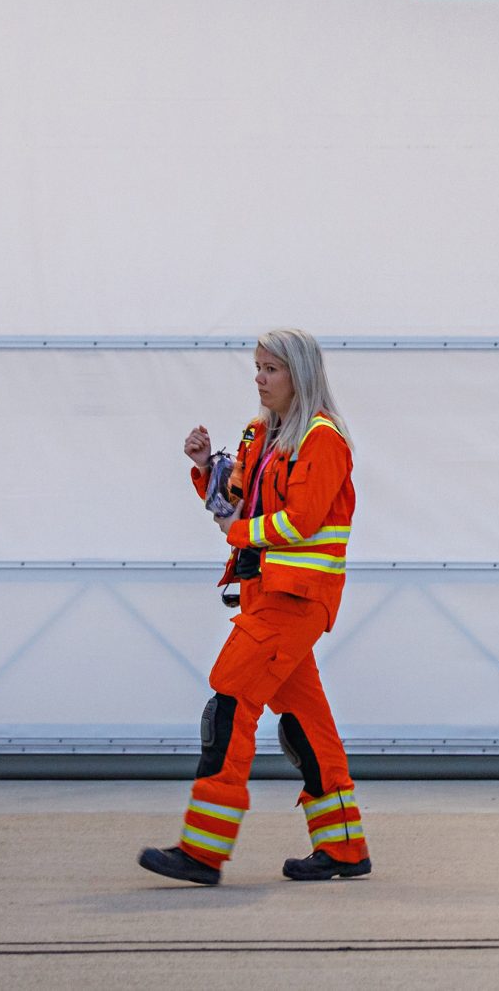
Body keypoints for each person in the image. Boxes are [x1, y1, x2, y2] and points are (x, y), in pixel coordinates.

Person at [138, 327, 371, 886]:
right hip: (266, 595)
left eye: (271, 369)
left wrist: (238, 533)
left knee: (229, 705)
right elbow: (234, 501)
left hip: (295, 601)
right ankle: (344, 848)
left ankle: (202, 850)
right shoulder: (258, 433)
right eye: (257, 368)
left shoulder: (323, 440)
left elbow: (299, 522)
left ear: (300, 374)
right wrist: (203, 468)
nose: (260, 379)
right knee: (305, 726)